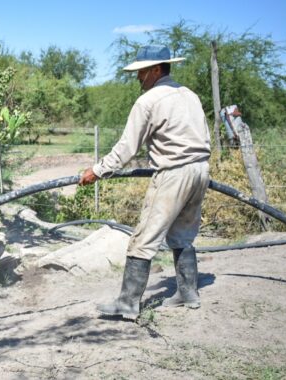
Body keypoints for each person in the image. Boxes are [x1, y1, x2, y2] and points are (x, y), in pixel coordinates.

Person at [79, 45, 211, 320]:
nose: (138, 78)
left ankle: (127, 303)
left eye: (141, 72)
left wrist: (97, 171)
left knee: (143, 238)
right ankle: (188, 293)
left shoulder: (149, 101)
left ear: (155, 70)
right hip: (200, 170)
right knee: (184, 232)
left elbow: (127, 148)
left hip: (173, 172)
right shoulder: (189, 95)